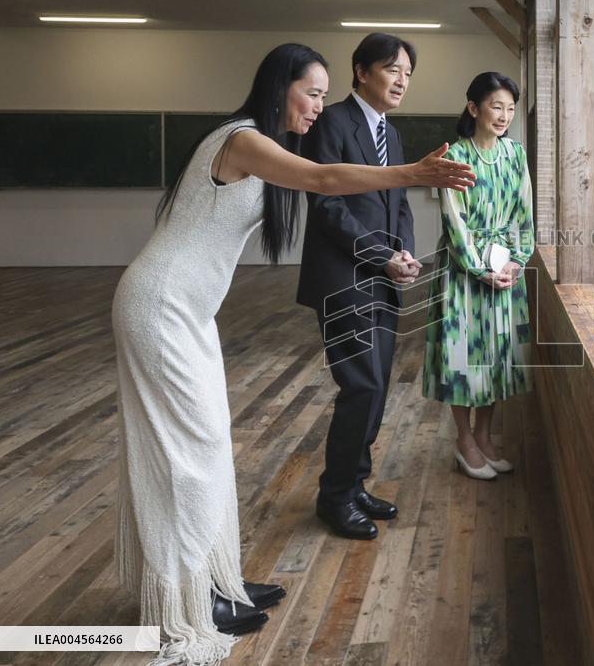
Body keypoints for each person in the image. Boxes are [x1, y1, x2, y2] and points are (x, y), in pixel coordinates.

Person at [112, 42, 474, 666]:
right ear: (279, 86)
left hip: (186, 311)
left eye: (323, 95)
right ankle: (194, 599)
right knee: (189, 457)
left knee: (207, 449)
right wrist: (412, 173)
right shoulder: (242, 138)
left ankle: (217, 580)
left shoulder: (265, 146)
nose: (318, 107)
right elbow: (324, 181)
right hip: (160, 305)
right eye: (311, 92)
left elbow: (318, 178)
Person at [296, 33, 421, 540]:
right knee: (361, 385)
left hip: (384, 278)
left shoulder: (392, 134)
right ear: (362, 70)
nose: (401, 81)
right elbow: (326, 205)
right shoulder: (331, 122)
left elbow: (401, 204)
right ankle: (334, 497)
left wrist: (405, 252)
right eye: (393, 69)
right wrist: (381, 257)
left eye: (408, 74)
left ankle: (354, 485)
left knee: (377, 387)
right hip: (344, 279)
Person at [421, 72, 535, 480]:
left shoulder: (515, 154)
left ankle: (485, 437)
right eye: (495, 106)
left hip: (505, 269)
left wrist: (517, 261)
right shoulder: (455, 156)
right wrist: (480, 268)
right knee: (463, 357)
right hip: (463, 270)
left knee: (498, 358)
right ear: (473, 108)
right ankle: (464, 440)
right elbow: (454, 220)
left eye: (509, 108)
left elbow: (524, 212)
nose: (503, 115)